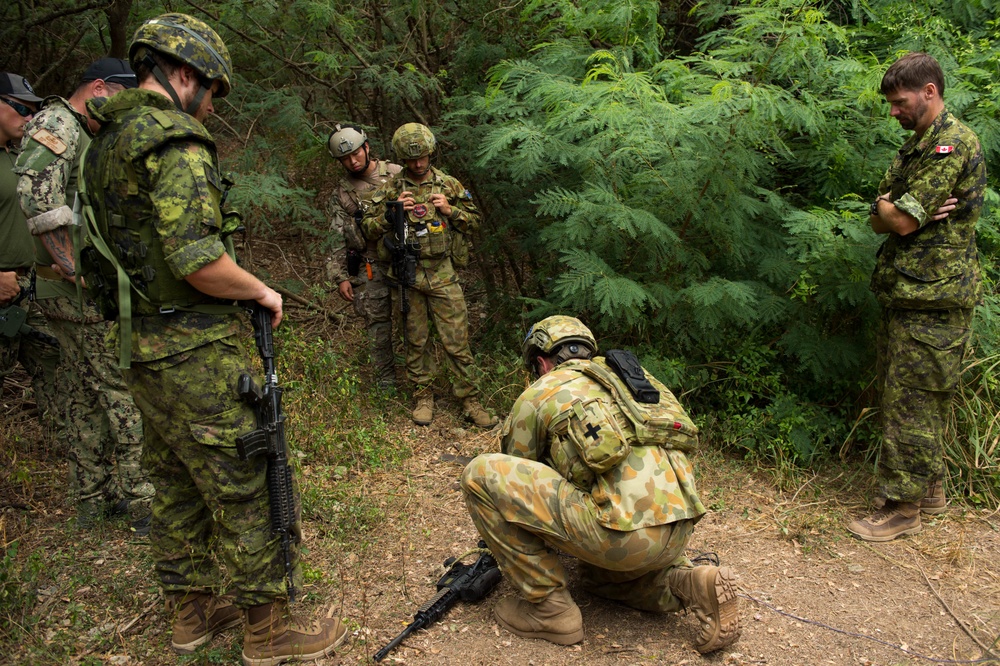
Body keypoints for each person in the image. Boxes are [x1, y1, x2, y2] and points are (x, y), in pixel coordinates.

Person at [78, 13, 346, 663]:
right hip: (192, 348)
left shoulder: (107, 142)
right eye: (210, 91)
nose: (210, 106)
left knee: (173, 477)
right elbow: (198, 261)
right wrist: (258, 289)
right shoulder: (175, 144)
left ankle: (190, 612)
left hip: (138, 346)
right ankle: (270, 631)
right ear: (183, 73)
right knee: (244, 476)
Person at [460, 316, 741, 653]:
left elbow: (520, 470)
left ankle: (550, 611)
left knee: (480, 474)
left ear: (540, 362)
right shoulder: (639, 382)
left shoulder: (540, 391)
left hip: (621, 539)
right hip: (679, 531)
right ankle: (688, 581)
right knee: (593, 577)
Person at [848, 52, 986, 542]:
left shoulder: (950, 143)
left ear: (929, 91)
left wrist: (896, 210)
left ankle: (904, 511)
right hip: (911, 292)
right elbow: (880, 215)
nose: (893, 112)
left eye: (900, 102)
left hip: (936, 297)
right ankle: (929, 490)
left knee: (914, 400)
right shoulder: (917, 146)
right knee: (908, 395)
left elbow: (901, 220)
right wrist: (893, 207)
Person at [15, 58, 153, 533]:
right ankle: (142, 499)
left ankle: (93, 498)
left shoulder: (82, 131)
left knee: (84, 395)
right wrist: (75, 269)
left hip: (68, 289)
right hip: (75, 292)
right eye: (119, 99)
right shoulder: (58, 122)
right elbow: (36, 195)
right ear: (98, 87)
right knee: (123, 388)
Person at [362, 123, 496, 427]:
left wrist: (451, 211)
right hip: (407, 276)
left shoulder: (448, 184)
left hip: (443, 274)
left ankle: (470, 399)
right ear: (401, 157)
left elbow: (474, 222)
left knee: (456, 339)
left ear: (430, 153)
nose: (417, 164)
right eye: (411, 159)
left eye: (422, 157)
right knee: (415, 339)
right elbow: (367, 228)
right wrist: (390, 213)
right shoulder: (392, 188)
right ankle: (423, 396)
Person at [0, 73, 63, 438]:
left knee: (55, 358)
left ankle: (70, 448)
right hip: (3, 284)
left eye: (33, 109)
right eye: (21, 107)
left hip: (30, 286)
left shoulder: (17, 157)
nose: (29, 117)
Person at [325, 123, 401, 387]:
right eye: (344, 158)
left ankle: (420, 383)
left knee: (414, 321)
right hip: (372, 263)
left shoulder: (396, 174)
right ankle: (386, 385)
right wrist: (341, 276)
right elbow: (337, 235)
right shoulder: (343, 193)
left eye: (356, 153)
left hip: (407, 259)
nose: (352, 161)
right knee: (377, 325)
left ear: (367, 147)